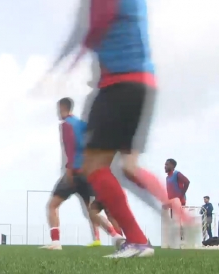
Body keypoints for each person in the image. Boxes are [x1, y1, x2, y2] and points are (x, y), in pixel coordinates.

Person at [45, 0, 198, 258]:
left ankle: (137, 239)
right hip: (142, 84)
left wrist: (66, 64)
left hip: (118, 85)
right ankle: (180, 215)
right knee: (129, 166)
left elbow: (96, 26)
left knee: (95, 167)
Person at [41, 97, 124, 250]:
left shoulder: (66, 125)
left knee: (52, 206)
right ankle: (116, 236)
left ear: (62, 107)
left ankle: (56, 243)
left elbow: (69, 148)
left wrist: (69, 170)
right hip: (87, 173)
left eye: (58, 109)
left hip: (74, 172)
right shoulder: (82, 125)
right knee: (92, 211)